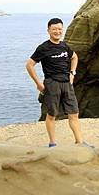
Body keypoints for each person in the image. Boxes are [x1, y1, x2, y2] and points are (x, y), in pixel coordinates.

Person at [25, 17, 90, 148]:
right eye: (54, 29)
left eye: (59, 29)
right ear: (48, 30)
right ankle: (52, 143)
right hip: (52, 83)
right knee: (52, 114)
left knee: (74, 113)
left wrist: (72, 73)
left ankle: (79, 142)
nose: (57, 31)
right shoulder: (43, 48)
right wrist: (38, 84)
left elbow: (74, 57)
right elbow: (29, 65)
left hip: (67, 83)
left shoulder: (64, 46)